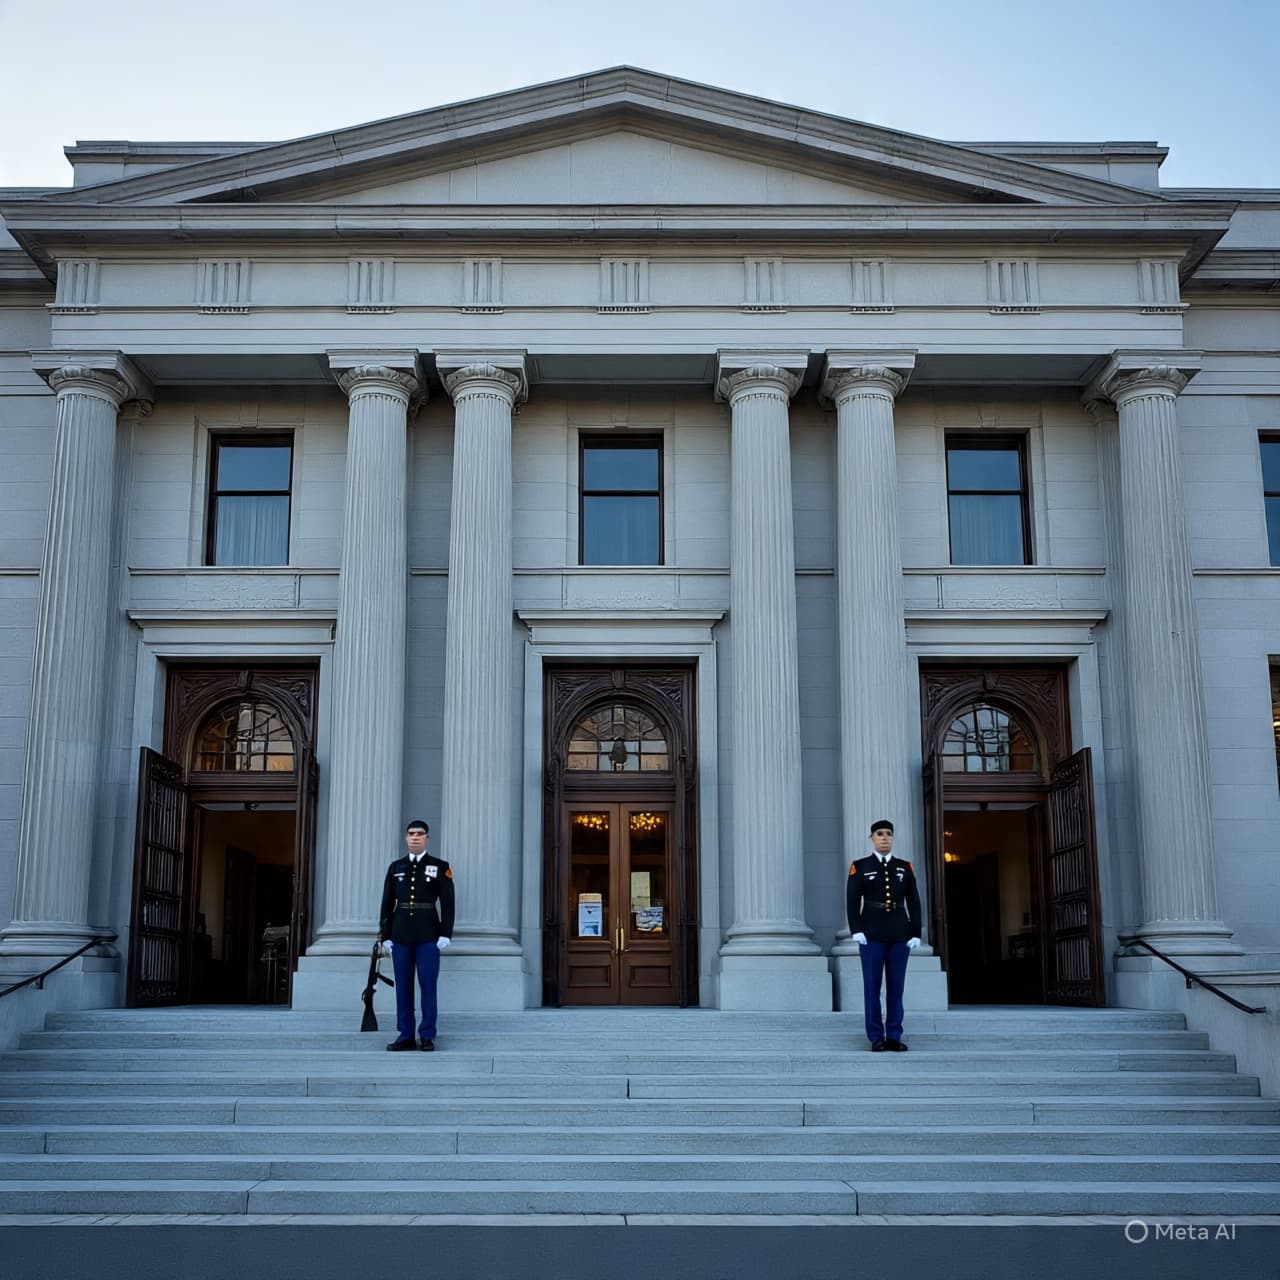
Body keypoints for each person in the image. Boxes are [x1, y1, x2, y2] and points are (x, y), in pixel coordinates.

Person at [379, 819, 454, 1051]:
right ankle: (405, 1034)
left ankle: (428, 1034)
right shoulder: (396, 867)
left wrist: (445, 933)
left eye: (420, 834)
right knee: (403, 986)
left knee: (428, 985)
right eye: (411, 833)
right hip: (400, 934)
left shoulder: (440, 867)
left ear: (427, 838)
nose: (415, 837)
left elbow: (449, 903)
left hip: (428, 935)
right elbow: (387, 903)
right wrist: (385, 935)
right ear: (406, 837)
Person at [847, 819, 921, 1052]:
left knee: (896, 988)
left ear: (893, 838)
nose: (884, 837)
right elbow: (851, 901)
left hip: (900, 933)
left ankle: (894, 1036)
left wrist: (916, 932)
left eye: (888, 833)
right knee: (872, 987)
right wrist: (856, 930)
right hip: (871, 934)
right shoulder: (859, 866)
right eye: (879, 834)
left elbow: (914, 902)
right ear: (872, 838)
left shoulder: (905, 867)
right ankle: (876, 1037)